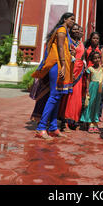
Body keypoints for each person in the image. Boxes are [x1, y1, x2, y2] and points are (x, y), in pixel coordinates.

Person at [31, 12, 76, 140]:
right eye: (71, 19)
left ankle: (53, 127)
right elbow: (60, 47)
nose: (73, 21)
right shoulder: (61, 30)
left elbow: (64, 48)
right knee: (55, 95)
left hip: (61, 65)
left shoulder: (64, 31)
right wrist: (62, 65)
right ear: (65, 19)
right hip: (57, 65)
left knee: (58, 95)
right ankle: (41, 128)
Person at [59, 24, 86, 130]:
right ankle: (64, 120)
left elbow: (82, 57)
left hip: (80, 71)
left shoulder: (81, 43)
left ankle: (73, 120)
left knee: (76, 97)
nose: (77, 31)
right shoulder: (68, 41)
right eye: (74, 29)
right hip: (70, 69)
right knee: (68, 96)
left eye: (79, 30)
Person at [80, 51, 103, 133]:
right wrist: (87, 90)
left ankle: (95, 122)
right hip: (92, 88)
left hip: (99, 90)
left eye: (98, 58)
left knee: (97, 106)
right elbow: (88, 80)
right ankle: (89, 122)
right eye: (95, 58)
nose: (97, 59)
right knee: (90, 105)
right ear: (92, 60)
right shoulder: (90, 69)